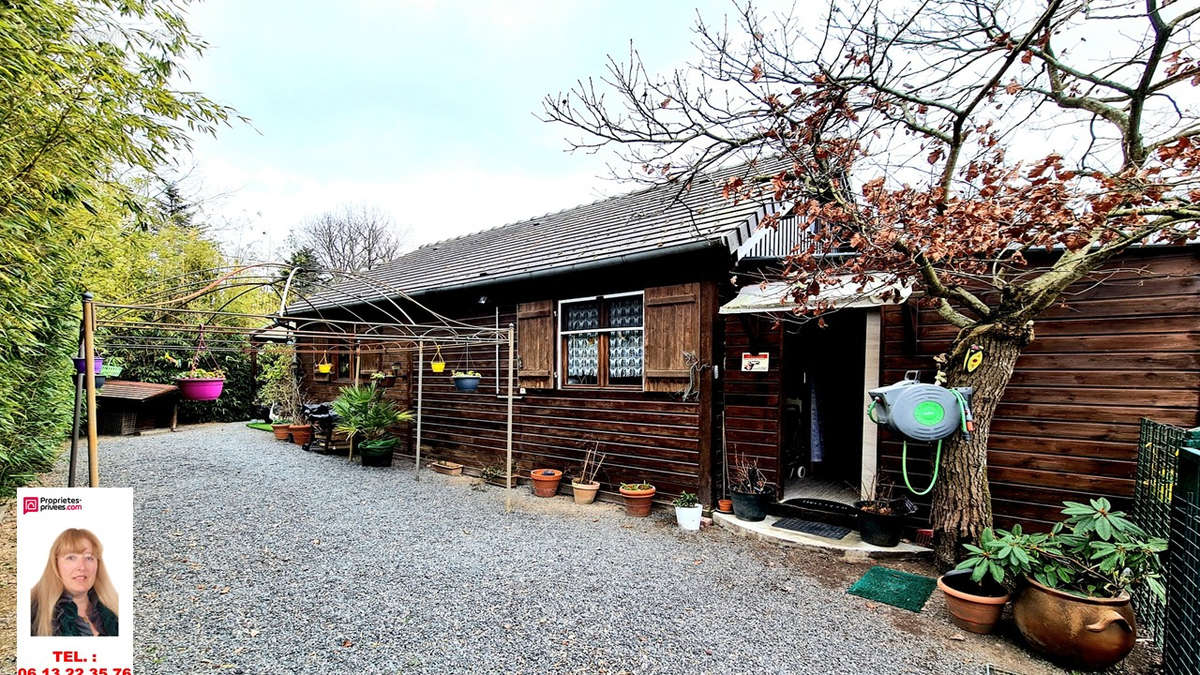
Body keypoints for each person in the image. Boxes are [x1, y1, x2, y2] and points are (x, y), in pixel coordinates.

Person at [30, 528, 119, 636]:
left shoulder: (115, 610)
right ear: (55, 564)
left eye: (89, 558)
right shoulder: (32, 613)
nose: (82, 567)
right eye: (71, 558)